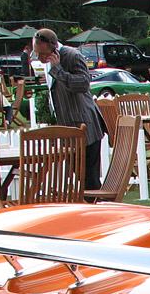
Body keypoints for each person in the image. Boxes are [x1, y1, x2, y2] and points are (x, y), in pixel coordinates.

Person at [33, 27, 106, 192]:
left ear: (53, 48)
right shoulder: (46, 62)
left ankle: (95, 210)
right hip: (69, 128)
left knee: (89, 178)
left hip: (85, 125)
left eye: (42, 54)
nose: (39, 57)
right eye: (36, 53)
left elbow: (83, 84)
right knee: (77, 174)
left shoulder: (72, 56)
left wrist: (58, 70)